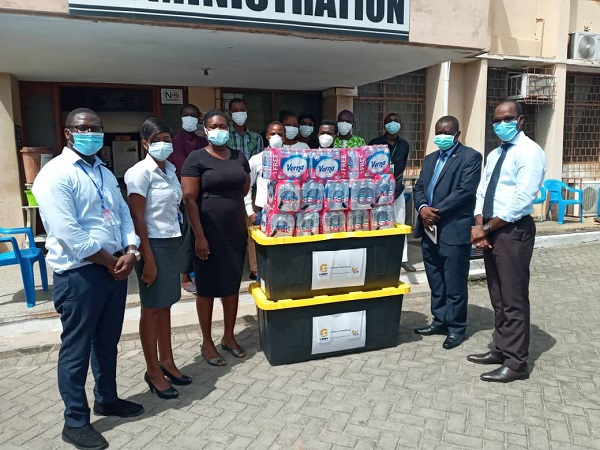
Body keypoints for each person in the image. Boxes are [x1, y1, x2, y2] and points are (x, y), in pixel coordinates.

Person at [32, 108, 143, 450]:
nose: (91, 132)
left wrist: (131, 249)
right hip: (80, 275)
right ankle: (75, 421)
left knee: (107, 342)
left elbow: (123, 213)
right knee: (76, 350)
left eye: (97, 128)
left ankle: (107, 398)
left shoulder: (104, 172)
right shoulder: (54, 175)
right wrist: (114, 262)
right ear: (68, 133)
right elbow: (70, 234)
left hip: (114, 269)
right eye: (83, 128)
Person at [469, 100, 546, 383]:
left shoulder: (529, 152)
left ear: (520, 120)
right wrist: (479, 224)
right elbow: (482, 190)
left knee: (513, 297)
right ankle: (501, 349)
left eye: (508, 119)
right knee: (497, 295)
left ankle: (516, 362)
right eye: (496, 120)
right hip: (489, 229)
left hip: (513, 231)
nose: (501, 124)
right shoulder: (494, 154)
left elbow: (521, 200)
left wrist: (485, 228)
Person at [125, 118, 192, 401]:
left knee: (166, 305)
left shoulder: (171, 170)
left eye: (167, 138)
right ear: (145, 144)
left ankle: (167, 360)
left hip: (171, 241)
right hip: (153, 245)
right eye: (157, 139)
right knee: (152, 308)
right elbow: (137, 217)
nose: (163, 144)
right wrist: (148, 258)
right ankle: (152, 370)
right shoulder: (139, 173)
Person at [181, 109, 251, 366]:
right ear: (205, 129)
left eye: (222, 125)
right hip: (207, 232)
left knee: (232, 287)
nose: (219, 129)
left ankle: (229, 337)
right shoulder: (196, 158)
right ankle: (207, 342)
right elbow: (189, 199)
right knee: (208, 288)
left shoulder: (238, 156)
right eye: (214, 126)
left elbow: (244, 187)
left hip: (234, 232)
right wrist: (199, 236)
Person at [412, 116, 482, 350]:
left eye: (446, 133)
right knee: (436, 279)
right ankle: (439, 320)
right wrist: (422, 209)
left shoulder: (470, 157)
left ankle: (456, 327)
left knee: (454, 282)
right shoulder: (430, 158)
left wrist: (435, 212)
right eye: (438, 132)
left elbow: (465, 191)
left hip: (452, 229)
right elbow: (419, 186)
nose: (441, 137)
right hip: (429, 229)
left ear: (457, 134)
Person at [169, 103, 208, 295]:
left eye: (194, 115)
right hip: (183, 197)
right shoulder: (174, 143)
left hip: (204, 196)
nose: (190, 118)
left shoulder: (203, 143)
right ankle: (185, 276)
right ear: (181, 118)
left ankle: (202, 273)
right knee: (186, 236)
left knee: (203, 235)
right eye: (187, 115)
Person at [369, 113, 415, 272]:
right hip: (378, 192)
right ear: (384, 125)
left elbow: (401, 168)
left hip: (397, 190)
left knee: (400, 223)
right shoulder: (375, 143)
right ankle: (378, 256)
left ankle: (403, 258)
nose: (393, 124)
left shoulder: (404, 145)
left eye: (396, 121)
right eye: (390, 121)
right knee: (377, 223)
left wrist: (396, 188)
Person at [245, 122, 286, 279]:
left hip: (286, 213)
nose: (276, 137)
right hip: (264, 213)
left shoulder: (293, 158)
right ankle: (259, 276)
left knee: (283, 251)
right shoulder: (257, 159)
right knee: (262, 251)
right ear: (267, 136)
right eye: (273, 133)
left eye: (280, 134)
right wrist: (250, 212)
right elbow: (247, 187)